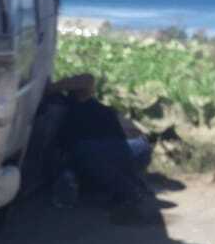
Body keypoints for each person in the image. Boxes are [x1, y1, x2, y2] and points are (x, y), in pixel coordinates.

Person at [49, 73, 158, 222]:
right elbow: (86, 79)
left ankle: (129, 186)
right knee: (97, 159)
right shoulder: (70, 105)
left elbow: (87, 78)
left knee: (139, 147)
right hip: (94, 151)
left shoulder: (100, 108)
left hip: (112, 149)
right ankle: (129, 188)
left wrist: (54, 86)